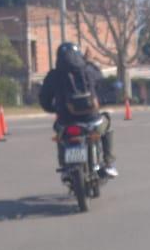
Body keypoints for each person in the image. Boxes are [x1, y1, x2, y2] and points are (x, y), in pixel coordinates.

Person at [40, 43, 117, 177]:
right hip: (91, 120)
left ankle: (64, 166)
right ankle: (108, 163)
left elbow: (44, 98)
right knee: (107, 127)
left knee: (60, 135)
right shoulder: (89, 70)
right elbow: (103, 86)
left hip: (66, 120)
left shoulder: (53, 75)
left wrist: (53, 109)